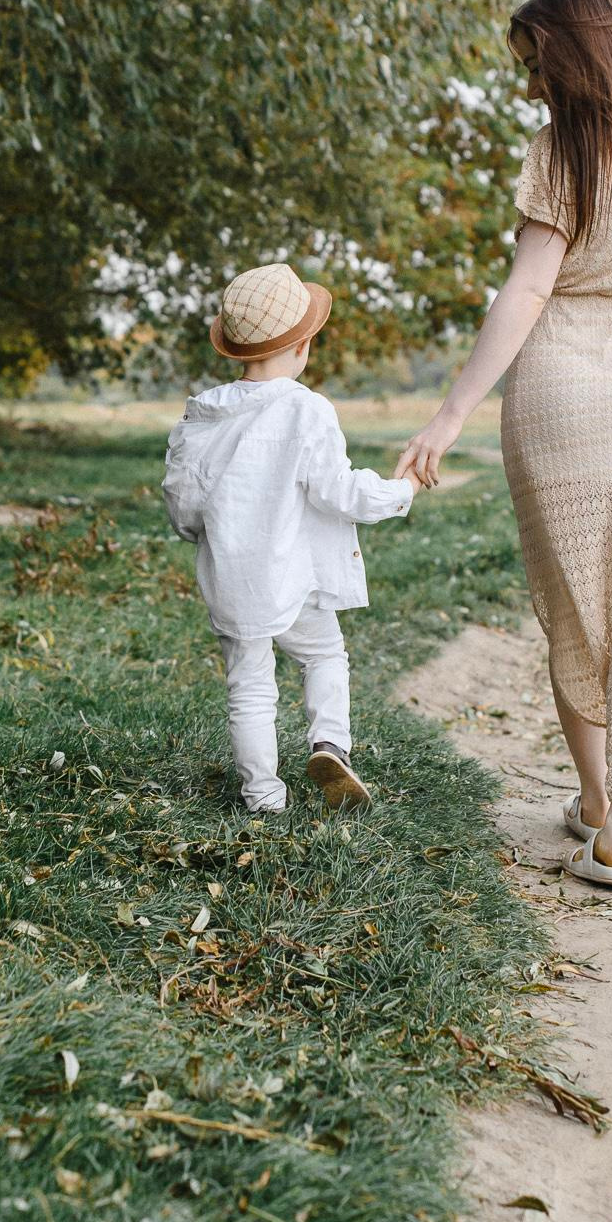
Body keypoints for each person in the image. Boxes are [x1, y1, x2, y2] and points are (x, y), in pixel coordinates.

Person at [394, 0, 612, 887]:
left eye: (536, 63)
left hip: (561, 390)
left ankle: (596, 799)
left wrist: (452, 409)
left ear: (575, 53)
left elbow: (530, 289)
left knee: (578, 600)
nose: (532, 85)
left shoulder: (563, 150)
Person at [164, 262, 418, 812]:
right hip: (294, 578)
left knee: (249, 687)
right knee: (325, 655)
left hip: (234, 578)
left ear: (232, 348)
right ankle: (330, 745)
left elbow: (182, 505)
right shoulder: (307, 410)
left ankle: (262, 795)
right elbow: (339, 492)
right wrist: (401, 490)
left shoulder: (199, 416)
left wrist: (204, 536)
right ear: (302, 346)